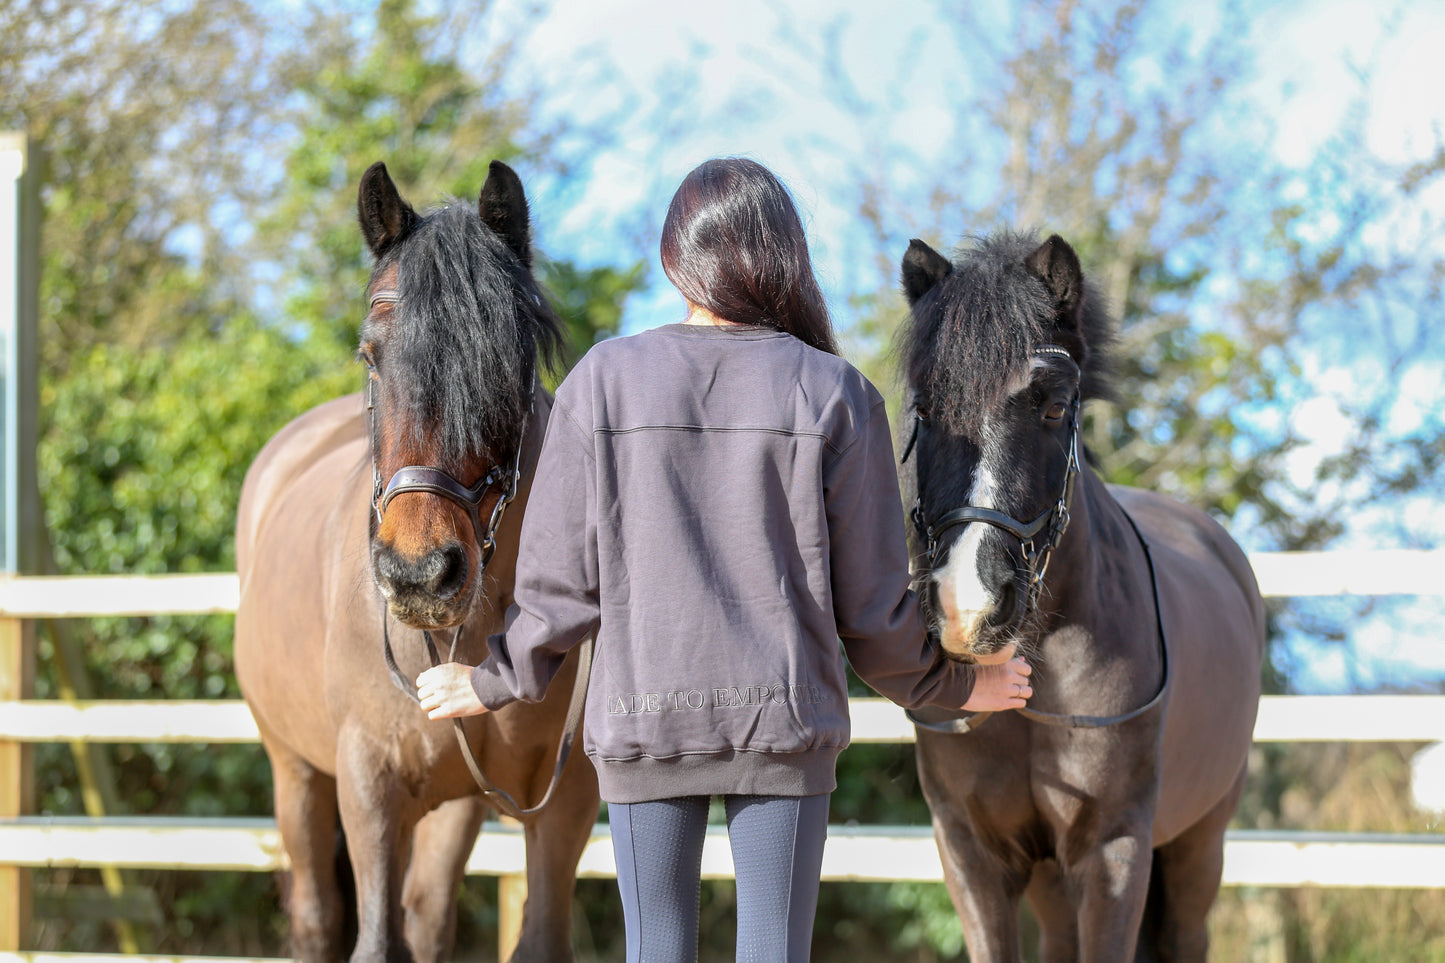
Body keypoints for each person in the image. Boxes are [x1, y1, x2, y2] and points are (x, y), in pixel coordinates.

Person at [417, 157, 1032, 962]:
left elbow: (558, 589)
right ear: (784, 256)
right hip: (784, 724)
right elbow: (872, 613)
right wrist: (958, 686)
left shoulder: (600, 381)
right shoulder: (836, 393)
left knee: (656, 950)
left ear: (676, 254)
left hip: (642, 720)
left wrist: (491, 680)